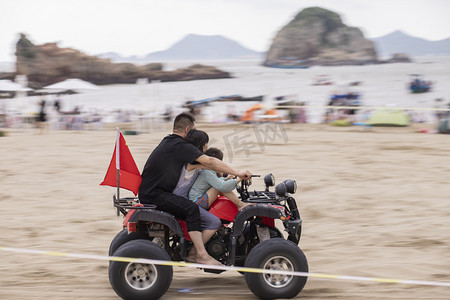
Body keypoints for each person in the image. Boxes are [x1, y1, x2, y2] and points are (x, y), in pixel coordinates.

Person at [138, 112, 251, 265]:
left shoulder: (170, 142)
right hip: (155, 194)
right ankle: (200, 254)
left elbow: (210, 165)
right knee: (191, 209)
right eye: (193, 129)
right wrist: (238, 172)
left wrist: (228, 173)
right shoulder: (180, 145)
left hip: (153, 191)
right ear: (187, 129)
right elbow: (210, 161)